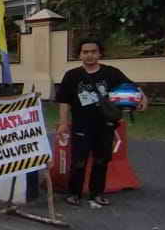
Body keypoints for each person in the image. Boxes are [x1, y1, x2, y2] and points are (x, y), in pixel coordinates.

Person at [55, 38, 147, 208]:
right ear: (80, 55)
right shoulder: (72, 76)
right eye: (85, 52)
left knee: (101, 160)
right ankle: (74, 194)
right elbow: (64, 101)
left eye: (93, 51)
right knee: (78, 161)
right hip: (81, 125)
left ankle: (96, 194)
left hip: (105, 124)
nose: (89, 55)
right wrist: (62, 123)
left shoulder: (111, 73)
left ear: (99, 53)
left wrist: (143, 97)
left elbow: (131, 86)